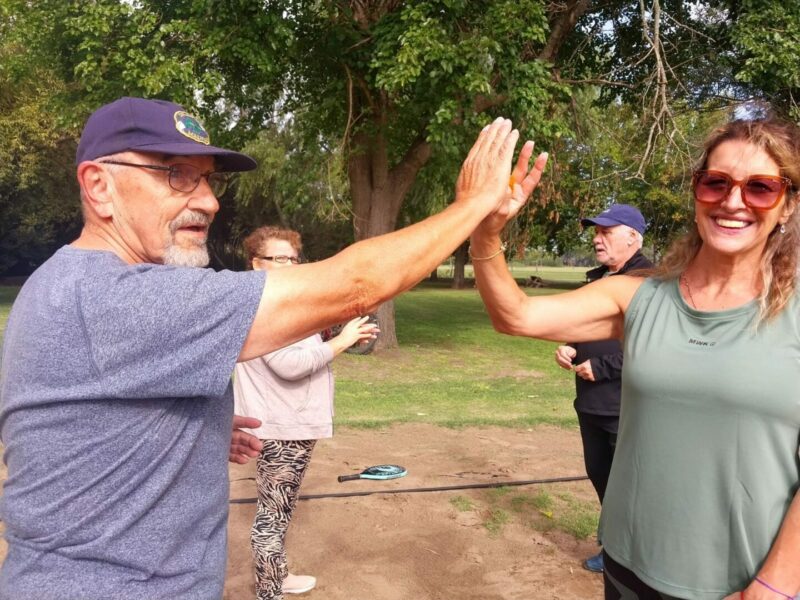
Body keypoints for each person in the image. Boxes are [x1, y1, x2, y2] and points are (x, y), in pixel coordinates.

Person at [0, 96, 546, 600]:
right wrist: (474, 206)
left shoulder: (69, 283)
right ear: (99, 186)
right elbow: (356, 285)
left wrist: (189, 430)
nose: (209, 201)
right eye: (177, 175)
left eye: (208, 180)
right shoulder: (114, 298)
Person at [472, 117, 800, 599]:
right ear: (697, 192)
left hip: (741, 583)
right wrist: (486, 231)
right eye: (716, 183)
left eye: (760, 188)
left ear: (788, 204)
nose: (733, 201)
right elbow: (515, 315)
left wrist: (771, 586)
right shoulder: (639, 296)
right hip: (629, 569)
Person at [233, 226, 378, 599]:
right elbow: (290, 365)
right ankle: (269, 592)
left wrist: (334, 335)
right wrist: (343, 341)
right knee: (272, 515)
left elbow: (298, 351)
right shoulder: (266, 307)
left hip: (287, 421)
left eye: (293, 259)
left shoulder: (281, 304)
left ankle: (277, 577)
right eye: (278, 258)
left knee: (279, 508)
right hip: (281, 426)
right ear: (256, 263)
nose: (289, 265)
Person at [553, 204, 652, 573]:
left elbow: (655, 347)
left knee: (631, 487)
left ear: (633, 237)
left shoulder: (649, 284)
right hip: (590, 403)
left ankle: (637, 557)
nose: (597, 239)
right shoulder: (597, 280)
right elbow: (585, 326)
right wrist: (570, 346)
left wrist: (603, 366)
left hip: (626, 407)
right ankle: (614, 547)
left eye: (606, 232)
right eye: (596, 232)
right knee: (600, 475)